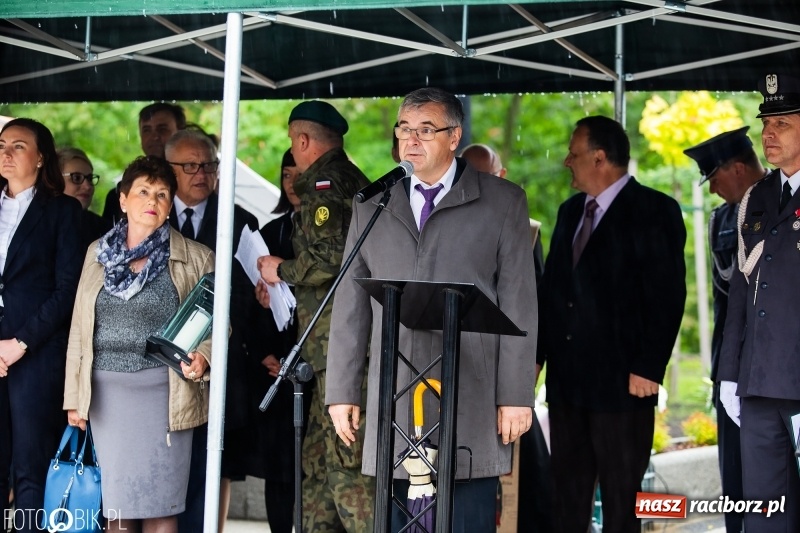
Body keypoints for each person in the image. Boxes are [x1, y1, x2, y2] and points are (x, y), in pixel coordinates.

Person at [325, 87, 538, 533]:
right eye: (405, 129)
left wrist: (516, 395)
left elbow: (520, 301)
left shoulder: (502, 202)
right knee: (401, 520)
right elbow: (349, 305)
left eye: (426, 130)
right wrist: (342, 390)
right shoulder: (372, 205)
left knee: (464, 516)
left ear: (455, 137)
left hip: (471, 391)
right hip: (396, 388)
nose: (412, 141)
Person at [537, 116, 686, 533]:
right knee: (566, 499)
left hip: (623, 385)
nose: (567, 161)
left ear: (599, 157)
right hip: (568, 386)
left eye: (574, 152)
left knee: (622, 503)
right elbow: (552, 293)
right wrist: (536, 358)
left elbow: (667, 293)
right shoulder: (569, 212)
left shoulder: (655, 209)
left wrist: (649, 366)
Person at [63, 155, 214, 533]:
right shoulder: (96, 255)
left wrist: (204, 357)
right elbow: (79, 329)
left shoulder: (196, 257)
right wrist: (73, 399)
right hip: (106, 398)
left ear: (169, 206)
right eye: (144, 191)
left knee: (162, 508)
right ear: (123, 199)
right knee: (117, 508)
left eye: (162, 194)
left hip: (165, 396)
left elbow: (216, 326)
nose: (153, 200)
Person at [257, 100, 374, 533]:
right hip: (330, 351)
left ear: (304, 141)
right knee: (318, 466)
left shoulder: (325, 185)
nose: (293, 149)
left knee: (346, 468)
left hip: (338, 351)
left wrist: (280, 269)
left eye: (293, 141)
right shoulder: (348, 179)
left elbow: (331, 255)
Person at [163, 128, 259, 533]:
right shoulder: (149, 212)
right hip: (162, 369)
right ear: (169, 170)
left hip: (221, 362)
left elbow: (248, 300)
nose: (201, 173)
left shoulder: (239, 221)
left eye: (208, 165)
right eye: (189, 166)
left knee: (216, 463)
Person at [717, 72, 800, 532]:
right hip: (760, 381)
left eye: (782, 123)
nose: (768, 134)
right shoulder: (757, 197)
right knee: (765, 515)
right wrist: (730, 374)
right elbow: (742, 302)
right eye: (766, 122)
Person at [0, 118, 83, 532]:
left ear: (40, 158)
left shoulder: (62, 211)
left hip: (36, 353)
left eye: (18, 146)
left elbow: (67, 290)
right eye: (2, 145)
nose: (6, 153)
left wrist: (20, 343)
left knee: (31, 468)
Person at [683, 126, 766, 533]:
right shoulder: (721, 219)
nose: (712, 189)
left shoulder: (788, 206)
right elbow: (726, 298)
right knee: (735, 479)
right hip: (732, 367)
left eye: (714, 177)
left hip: (781, 367)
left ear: (736, 169)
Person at [246, 149, 303, 533]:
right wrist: (265, 349)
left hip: (318, 362)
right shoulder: (271, 232)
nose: (292, 182)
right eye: (286, 174)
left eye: (300, 173)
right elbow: (251, 312)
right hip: (277, 367)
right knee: (280, 470)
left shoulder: (336, 230)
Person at [459, 142, 545, 281]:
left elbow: (535, 292)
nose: (478, 184)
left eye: (486, 177)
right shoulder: (439, 224)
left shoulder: (527, 231)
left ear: (502, 175)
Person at [102, 103, 187, 226]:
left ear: (180, 131)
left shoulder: (195, 183)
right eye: (146, 130)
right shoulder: (120, 193)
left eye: (162, 129)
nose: (154, 136)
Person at [57, 146, 112, 251]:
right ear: (55, 180)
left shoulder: (105, 230)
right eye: (76, 178)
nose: (87, 186)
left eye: (90, 179)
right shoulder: (40, 225)